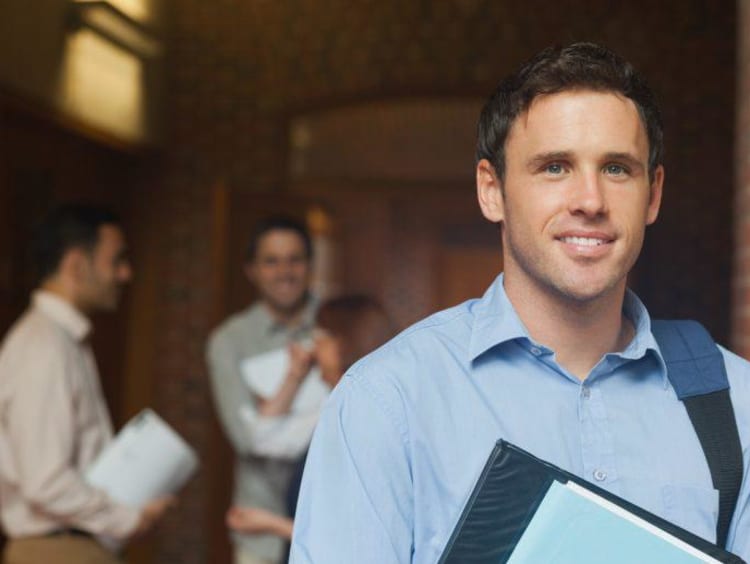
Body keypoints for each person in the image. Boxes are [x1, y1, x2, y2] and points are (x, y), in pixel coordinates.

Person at [290, 42, 750, 563]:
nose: (591, 201)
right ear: (492, 190)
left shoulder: (737, 404)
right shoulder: (387, 402)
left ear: (654, 193)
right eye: (555, 167)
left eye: (617, 168)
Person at [0, 204, 173, 564]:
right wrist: (127, 518)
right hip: (56, 549)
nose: (126, 274)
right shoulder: (44, 345)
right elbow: (45, 480)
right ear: (77, 265)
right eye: (116, 260)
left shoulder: (61, 339)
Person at [225, 295, 395, 544]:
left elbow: (353, 537)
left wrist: (273, 525)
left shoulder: (363, 422)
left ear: (345, 343)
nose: (313, 347)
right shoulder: (331, 407)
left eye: (320, 337)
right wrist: (294, 375)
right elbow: (262, 437)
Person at [206, 216, 324, 564]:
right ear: (252, 270)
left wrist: (269, 410)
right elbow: (247, 438)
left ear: (310, 265)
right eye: (271, 261)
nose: (284, 271)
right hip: (259, 534)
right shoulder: (230, 341)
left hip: (326, 518)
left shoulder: (335, 325)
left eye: (295, 259)